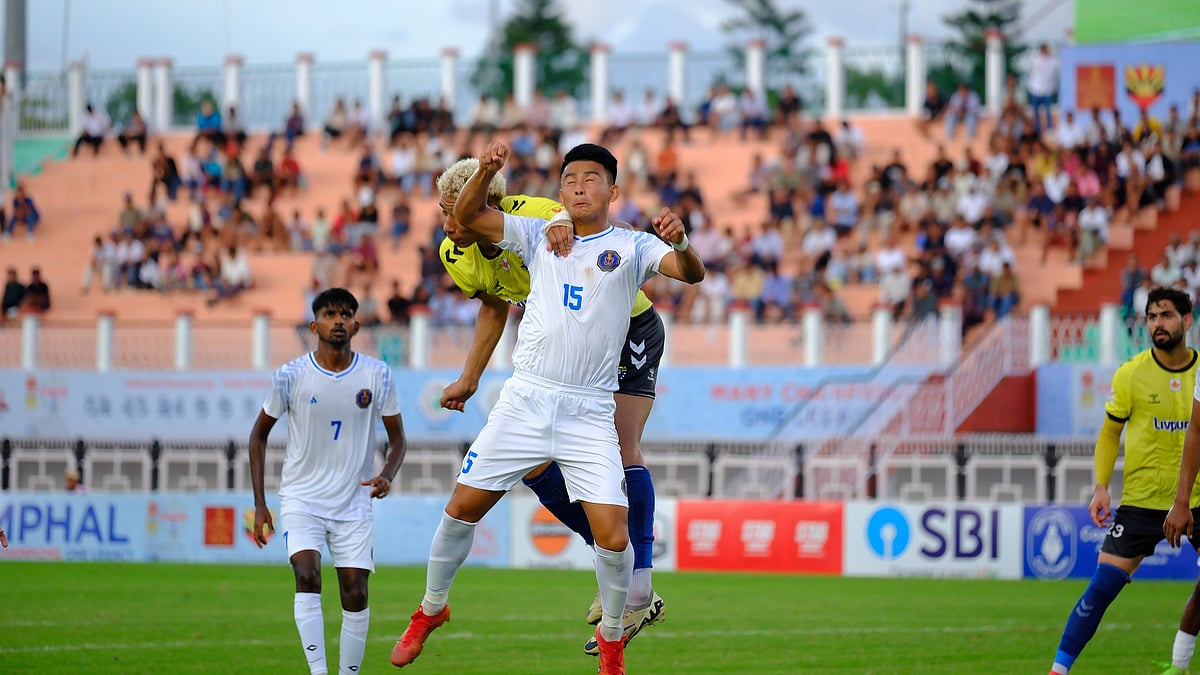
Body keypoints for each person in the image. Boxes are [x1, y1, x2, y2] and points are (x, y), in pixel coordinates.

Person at [391, 143, 704, 675]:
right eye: (570, 182)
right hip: (528, 399)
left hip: (603, 379)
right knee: (462, 508)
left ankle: (620, 626)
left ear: (612, 190)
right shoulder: (492, 242)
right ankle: (431, 609)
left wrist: (682, 242)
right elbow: (489, 293)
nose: (579, 188)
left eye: (591, 179)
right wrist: (469, 378)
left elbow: (690, 273)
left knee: (616, 523)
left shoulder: (624, 243)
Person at [434, 156, 669, 654]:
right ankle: (613, 558)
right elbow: (494, 307)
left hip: (628, 326)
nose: (448, 224)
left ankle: (640, 585)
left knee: (623, 448)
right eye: (442, 211)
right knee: (535, 464)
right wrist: (470, 377)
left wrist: (561, 221)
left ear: (487, 204)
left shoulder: (533, 211)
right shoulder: (453, 253)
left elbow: (574, 218)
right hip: (558, 367)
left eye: (456, 212)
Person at [249, 287, 408, 675]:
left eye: (345, 314)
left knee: (355, 592)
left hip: (353, 503)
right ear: (313, 324)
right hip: (302, 499)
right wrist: (260, 503)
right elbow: (258, 436)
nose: (337, 321)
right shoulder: (289, 376)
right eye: (329, 314)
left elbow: (399, 438)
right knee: (307, 574)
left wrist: (387, 475)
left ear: (356, 324)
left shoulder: (377, 374)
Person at [1048, 287, 1198, 675]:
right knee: (1102, 586)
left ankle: (1179, 661)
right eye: (1151, 317)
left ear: (1187, 320)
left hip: (1196, 501)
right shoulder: (1131, 373)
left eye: (1165, 315)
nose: (1157, 324)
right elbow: (1110, 433)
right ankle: (1058, 671)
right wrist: (1101, 486)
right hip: (1141, 502)